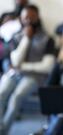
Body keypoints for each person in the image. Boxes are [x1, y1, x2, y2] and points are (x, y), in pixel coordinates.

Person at [0, 5, 56, 134]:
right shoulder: (16, 36)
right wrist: (26, 38)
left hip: (34, 76)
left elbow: (47, 66)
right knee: (1, 94)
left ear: (38, 17)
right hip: (14, 73)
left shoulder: (48, 39)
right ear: (21, 18)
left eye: (32, 17)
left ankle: (3, 131)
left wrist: (23, 66)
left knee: (16, 97)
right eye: (26, 18)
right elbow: (15, 61)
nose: (29, 20)